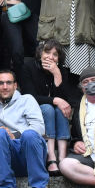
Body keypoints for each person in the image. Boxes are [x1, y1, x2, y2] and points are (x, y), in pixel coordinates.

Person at [0, 70, 51, 188]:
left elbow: (39, 128)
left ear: (15, 85)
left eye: (9, 83)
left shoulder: (27, 99)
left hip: (31, 152)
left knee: (30, 134)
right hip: (10, 158)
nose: (5, 86)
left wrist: (15, 134)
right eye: (1, 83)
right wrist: (3, 133)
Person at [18, 40, 79, 175]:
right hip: (34, 111)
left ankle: (62, 157)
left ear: (58, 59)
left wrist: (57, 75)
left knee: (60, 109)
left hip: (56, 112)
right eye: (47, 52)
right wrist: (55, 100)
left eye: (55, 54)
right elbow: (30, 97)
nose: (50, 57)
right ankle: (51, 157)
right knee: (48, 108)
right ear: (40, 54)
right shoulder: (28, 67)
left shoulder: (61, 70)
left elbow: (66, 100)